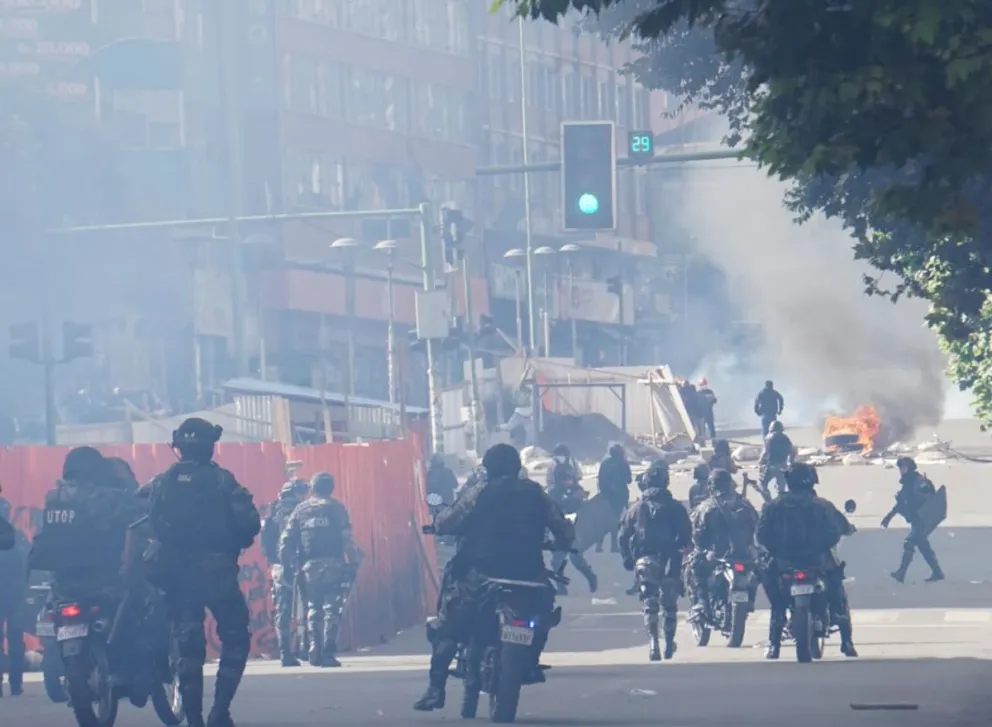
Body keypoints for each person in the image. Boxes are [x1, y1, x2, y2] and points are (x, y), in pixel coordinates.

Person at [414, 444, 574, 712]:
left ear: (487, 467)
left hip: (481, 575)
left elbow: (447, 521)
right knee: (543, 612)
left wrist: (439, 524)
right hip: (528, 575)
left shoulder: (480, 492)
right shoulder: (536, 494)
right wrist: (562, 543)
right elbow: (563, 529)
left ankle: (435, 689)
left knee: (448, 624)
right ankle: (530, 662)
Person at [144, 418, 260, 727]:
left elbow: (141, 517)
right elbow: (250, 524)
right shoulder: (222, 481)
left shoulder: (161, 481)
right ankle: (219, 711)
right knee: (235, 637)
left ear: (179, 447)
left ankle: (194, 718)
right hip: (218, 573)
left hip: (177, 577)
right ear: (210, 447)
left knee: (187, 647)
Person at [756, 463, 857, 659]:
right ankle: (846, 642)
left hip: (784, 563)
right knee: (838, 595)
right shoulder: (822, 505)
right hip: (818, 561)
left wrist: (776, 551)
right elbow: (838, 530)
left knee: (777, 603)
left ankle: (774, 645)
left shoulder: (773, 506)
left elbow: (761, 536)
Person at [279, 472, 361, 668]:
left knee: (313, 608)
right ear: (330, 488)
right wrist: (353, 562)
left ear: (313, 488)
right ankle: (328, 652)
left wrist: (286, 567)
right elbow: (346, 538)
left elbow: (286, 541)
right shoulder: (336, 507)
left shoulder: (300, 509)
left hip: (308, 566)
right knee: (332, 609)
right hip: (333, 564)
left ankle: (314, 648)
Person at [618, 460, 692, 661]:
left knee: (649, 603)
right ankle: (668, 642)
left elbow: (622, 535)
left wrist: (627, 558)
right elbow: (686, 534)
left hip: (644, 560)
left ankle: (653, 644)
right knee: (669, 605)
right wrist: (681, 550)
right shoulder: (676, 507)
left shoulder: (636, 508)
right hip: (670, 561)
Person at [686, 469, 758, 621]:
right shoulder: (745, 504)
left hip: (717, 555)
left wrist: (700, 548)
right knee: (758, 572)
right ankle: (750, 600)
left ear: (712, 486)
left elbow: (697, 533)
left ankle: (702, 604)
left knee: (695, 567)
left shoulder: (706, 507)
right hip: (745, 555)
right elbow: (757, 526)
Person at [259, 478, 310, 666]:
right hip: (302, 564)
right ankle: (306, 649)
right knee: (308, 605)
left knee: (283, 609)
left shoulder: (272, 512)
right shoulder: (303, 509)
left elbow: (264, 543)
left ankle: (285, 652)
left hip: (280, 566)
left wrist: (273, 561)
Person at [883, 457, 944, 583]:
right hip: (916, 519)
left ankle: (901, 573)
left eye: (903, 467)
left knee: (909, 542)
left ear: (910, 467)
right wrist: (889, 516)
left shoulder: (919, 481)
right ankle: (937, 572)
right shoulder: (908, 483)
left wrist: (918, 506)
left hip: (922, 519)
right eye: (900, 467)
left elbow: (929, 499)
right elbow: (901, 502)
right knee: (923, 546)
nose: (901, 470)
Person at [0, 498, 28, 696]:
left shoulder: (16, 537)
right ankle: (15, 683)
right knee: (15, 640)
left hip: (14, 594)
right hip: (14, 594)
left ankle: (15, 683)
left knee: (16, 640)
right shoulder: (16, 537)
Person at [596, 443, 632, 553]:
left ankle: (599, 545)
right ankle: (614, 545)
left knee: (604, 520)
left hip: (606, 495)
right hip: (619, 495)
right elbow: (628, 479)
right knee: (616, 521)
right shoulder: (623, 463)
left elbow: (600, 480)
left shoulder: (605, 463)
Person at [758, 421, 794, 502]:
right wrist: (791, 462)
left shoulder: (768, 437)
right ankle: (781, 504)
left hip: (771, 466)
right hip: (783, 466)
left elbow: (765, 452)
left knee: (762, 484)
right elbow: (792, 451)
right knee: (781, 488)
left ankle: (769, 502)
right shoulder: (785, 438)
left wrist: (760, 463)